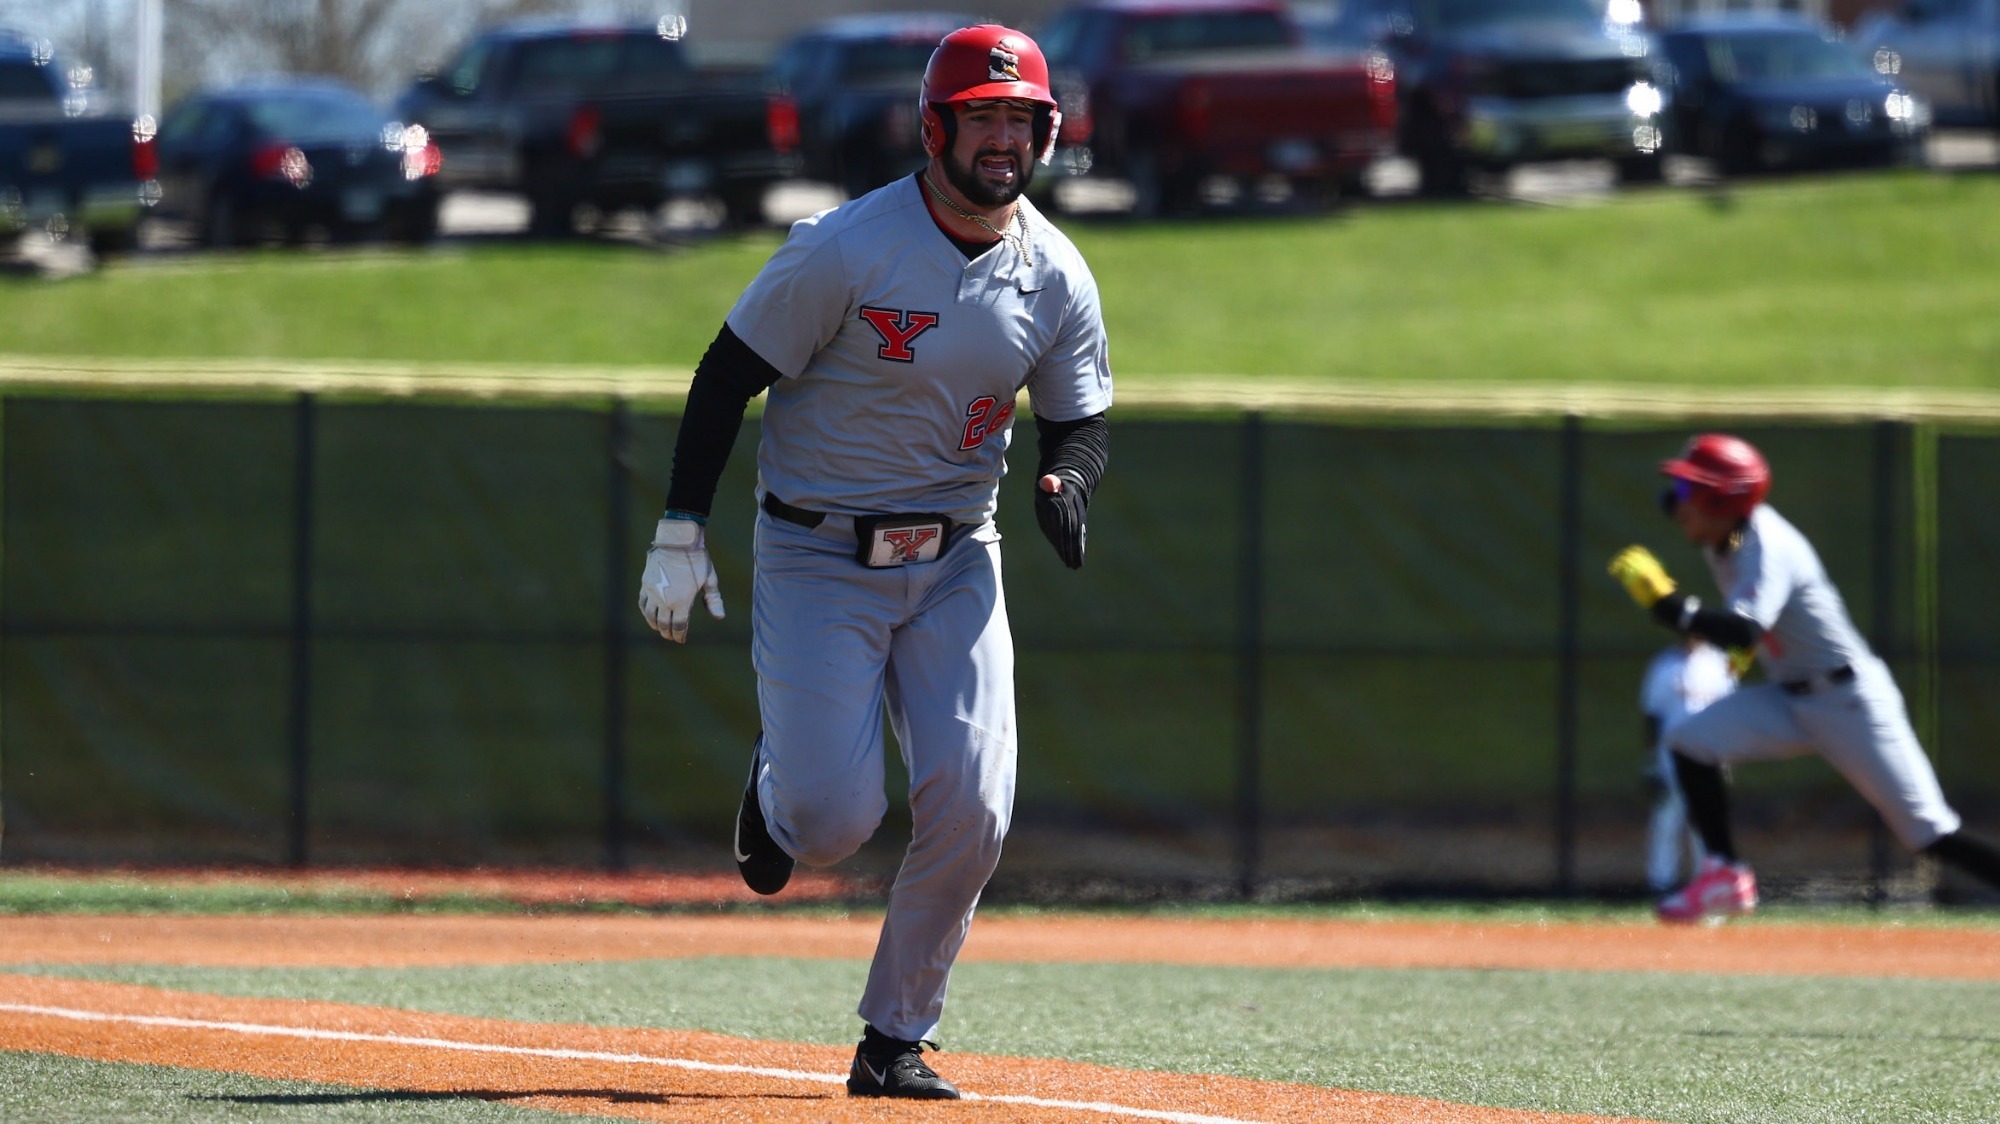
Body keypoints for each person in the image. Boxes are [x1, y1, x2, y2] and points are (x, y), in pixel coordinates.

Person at [634, 24, 1111, 1100]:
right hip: (817, 553)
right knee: (832, 822)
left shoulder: (1057, 271)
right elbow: (723, 376)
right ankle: (775, 785)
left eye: (1020, 119)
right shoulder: (845, 248)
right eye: (981, 117)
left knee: (975, 802)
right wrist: (678, 526)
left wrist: (1066, 481)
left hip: (955, 554)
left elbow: (1078, 420)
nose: (1002, 139)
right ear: (935, 126)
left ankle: (893, 1034)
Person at [1608, 433, 2000, 924]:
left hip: (1849, 701)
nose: (1678, 502)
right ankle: (1725, 874)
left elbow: (1744, 630)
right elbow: (1746, 622)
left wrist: (1673, 608)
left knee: (1927, 833)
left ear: (1721, 500)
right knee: (1689, 740)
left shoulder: (1767, 545)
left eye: (1691, 491)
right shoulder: (1723, 534)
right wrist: (1683, 600)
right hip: (1792, 701)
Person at [1637, 636, 1735, 894]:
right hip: (1670, 753)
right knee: (1667, 818)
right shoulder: (1664, 664)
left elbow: (1730, 713)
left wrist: (1726, 757)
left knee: (1704, 823)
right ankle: (1661, 884)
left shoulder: (1719, 664)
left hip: (1708, 752)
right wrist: (1651, 761)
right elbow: (1652, 714)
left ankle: (1706, 884)